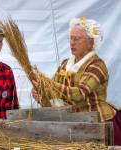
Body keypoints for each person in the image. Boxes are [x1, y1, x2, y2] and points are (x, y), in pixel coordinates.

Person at [32, 17, 121, 145]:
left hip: (99, 123)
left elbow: (79, 93)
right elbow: (53, 93)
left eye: (77, 39)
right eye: (70, 38)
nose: (72, 42)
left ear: (91, 42)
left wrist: (48, 84)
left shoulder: (96, 65)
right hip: (74, 123)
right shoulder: (65, 65)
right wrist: (40, 93)